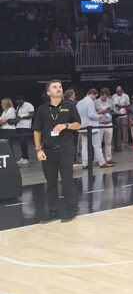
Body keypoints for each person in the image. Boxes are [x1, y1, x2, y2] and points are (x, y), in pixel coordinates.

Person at [32, 79, 82, 222]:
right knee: (51, 182)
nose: (58, 89)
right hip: (48, 150)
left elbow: (78, 124)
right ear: (48, 92)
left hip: (66, 148)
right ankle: (53, 210)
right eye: (54, 87)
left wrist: (65, 125)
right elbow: (36, 131)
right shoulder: (42, 109)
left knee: (67, 180)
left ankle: (71, 210)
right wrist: (38, 149)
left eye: (60, 87)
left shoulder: (70, 106)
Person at [76, 88, 111, 168]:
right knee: (97, 145)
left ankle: (85, 163)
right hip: (92, 127)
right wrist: (100, 116)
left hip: (82, 126)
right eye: (95, 96)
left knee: (84, 146)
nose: (95, 98)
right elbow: (91, 115)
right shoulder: (90, 102)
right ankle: (102, 162)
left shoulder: (79, 103)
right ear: (92, 94)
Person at [95, 88, 116, 165]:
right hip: (100, 124)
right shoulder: (96, 102)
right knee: (98, 143)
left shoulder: (110, 101)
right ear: (101, 95)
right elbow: (93, 113)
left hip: (109, 123)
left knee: (108, 142)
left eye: (106, 96)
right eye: (104, 96)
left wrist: (112, 110)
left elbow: (115, 111)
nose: (105, 98)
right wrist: (101, 111)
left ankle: (108, 158)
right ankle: (97, 159)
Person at [13, 95, 34, 165]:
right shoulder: (18, 107)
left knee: (23, 140)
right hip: (19, 126)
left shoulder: (28, 105)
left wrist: (22, 117)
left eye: (18, 102)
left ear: (21, 100)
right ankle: (23, 157)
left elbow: (32, 115)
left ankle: (26, 158)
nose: (17, 104)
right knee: (20, 142)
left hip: (26, 126)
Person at [0, 97, 20, 162]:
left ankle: (12, 160)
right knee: (5, 145)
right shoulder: (4, 111)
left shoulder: (11, 110)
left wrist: (2, 121)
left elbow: (3, 121)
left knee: (7, 145)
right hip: (4, 129)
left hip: (9, 130)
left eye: (2, 103)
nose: (1, 104)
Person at [112, 85, 130, 150]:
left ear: (122, 90)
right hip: (116, 114)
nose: (118, 92)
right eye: (117, 91)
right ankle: (118, 143)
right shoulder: (113, 96)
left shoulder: (126, 96)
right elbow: (111, 104)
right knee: (117, 130)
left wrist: (122, 106)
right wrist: (116, 106)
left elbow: (128, 105)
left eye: (119, 91)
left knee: (124, 130)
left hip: (124, 114)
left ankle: (125, 143)